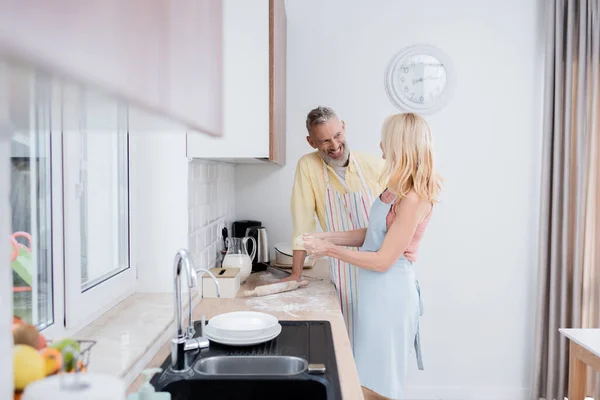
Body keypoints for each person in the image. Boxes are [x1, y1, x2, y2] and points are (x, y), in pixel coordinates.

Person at [303, 113, 441, 400]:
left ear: (400, 144)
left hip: (391, 296)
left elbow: (382, 260)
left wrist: (329, 250)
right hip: (375, 294)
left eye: (386, 138)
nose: (380, 143)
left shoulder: (414, 197)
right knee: (365, 379)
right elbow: (374, 232)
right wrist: (327, 237)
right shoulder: (396, 188)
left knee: (379, 387)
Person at [286, 106, 384, 350]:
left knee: (377, 339)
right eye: (325, 141)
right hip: (342, 265)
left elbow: (394, 217)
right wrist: (296, 273)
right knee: (348, 339)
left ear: (344, 126)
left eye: (338, 135)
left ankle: (369, 389)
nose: (335, 145)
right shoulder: (308, 167)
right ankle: (351, 388)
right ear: (311, 142)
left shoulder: (372, 165)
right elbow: (303, 221)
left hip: (379, 263)